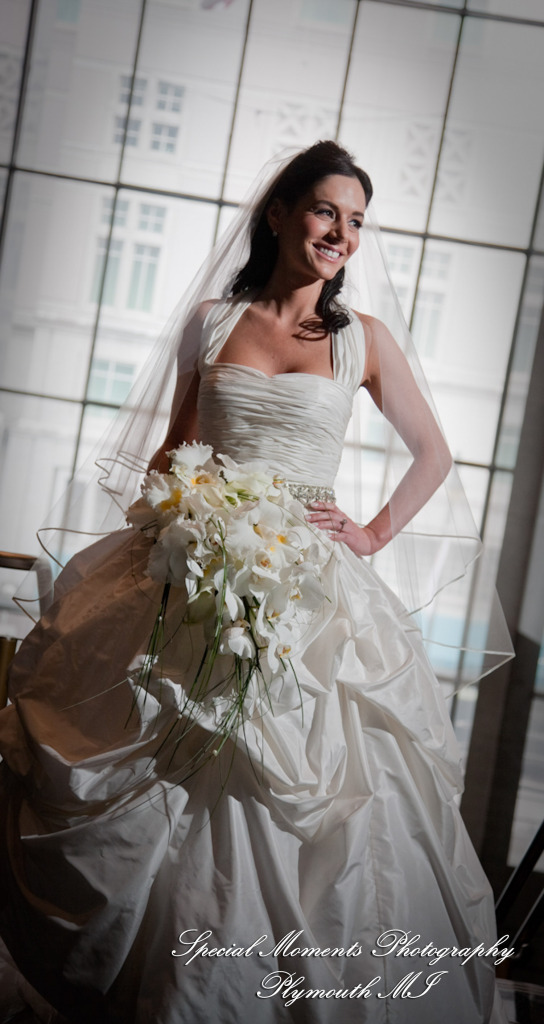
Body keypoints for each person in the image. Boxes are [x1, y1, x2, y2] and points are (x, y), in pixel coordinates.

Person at [0, 141, 513, 1024]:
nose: (342, 233)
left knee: (298, 787)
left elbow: (434, 455)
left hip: (306, 585)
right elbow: (176, 447)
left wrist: (372, 531)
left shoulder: (363, 341)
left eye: (356, 221)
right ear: (278, 213)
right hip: (194, 566)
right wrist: (165, 526)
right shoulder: (212, 320)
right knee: (155, 764)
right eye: (326, 211)